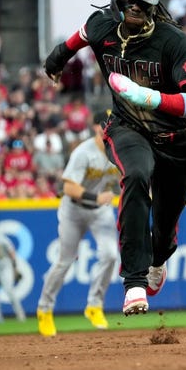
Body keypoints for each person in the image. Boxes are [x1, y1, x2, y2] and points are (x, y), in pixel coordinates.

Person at [42, 0, 186, 316]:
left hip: (175, 140)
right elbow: (74, 41)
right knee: (135, 175)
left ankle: (157, 258)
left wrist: (149, 98)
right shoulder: (101, 25)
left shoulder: (173, 41)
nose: (136, 7)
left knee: (164, 230)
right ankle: (133, 283)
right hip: (126, 128)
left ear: (154, 6)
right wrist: (55, 61)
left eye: (143, 2)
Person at [36, 111, 120, 337]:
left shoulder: (118, 150)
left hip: (100, 212)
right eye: (104, 125)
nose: (108, 128)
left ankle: (94, 305)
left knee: (111, 255)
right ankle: (44, 310)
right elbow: (68, 188)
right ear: (95, 127)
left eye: (112, 124)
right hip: (73, 209)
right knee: (64, 261)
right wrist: (96, 198)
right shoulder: (84, 152)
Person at [0, 220, 26, 323]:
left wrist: (15, 268)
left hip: (5, 266)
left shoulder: (1, 239)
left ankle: (20, 315)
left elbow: (11, 252)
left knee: (9, 290)